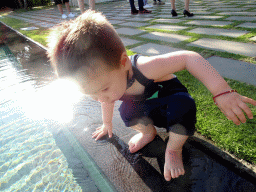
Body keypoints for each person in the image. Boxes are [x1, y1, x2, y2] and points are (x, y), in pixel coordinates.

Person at [47, 10, 256, 181]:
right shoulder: (109, 80)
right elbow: (106, 99)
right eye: (91, 94)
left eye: (102, 90)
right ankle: (149, 134)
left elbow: (189, 57)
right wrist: (107, 124)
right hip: (148, 107)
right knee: (126, 111)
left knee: (183, 105)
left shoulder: (144, 67)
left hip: (171, 103)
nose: (101, 98)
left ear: (123, 62)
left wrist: (221, 92)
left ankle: (173, 149)